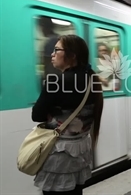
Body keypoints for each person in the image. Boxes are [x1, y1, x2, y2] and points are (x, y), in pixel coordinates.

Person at [32, 35, 104, 195]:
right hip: (80, 152)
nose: (52, 53)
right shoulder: (93, 80)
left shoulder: (55, 82)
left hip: (59, 155)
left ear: (72, 56)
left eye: (57, 50)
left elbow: (37, 115)